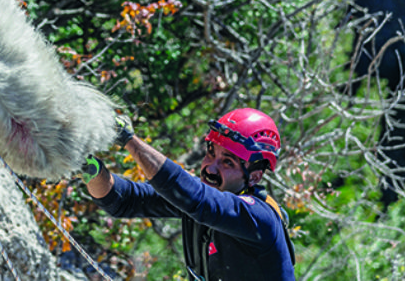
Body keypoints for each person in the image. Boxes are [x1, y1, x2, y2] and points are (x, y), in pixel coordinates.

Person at [82, 108, 296, 281]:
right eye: (211, 153)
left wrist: (129, 140)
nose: (210, 168)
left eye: (227, 162)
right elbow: (122, 200)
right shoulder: (201, 198)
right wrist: (87, 165)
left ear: (254, 177)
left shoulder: (258, 218)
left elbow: (197, 200)